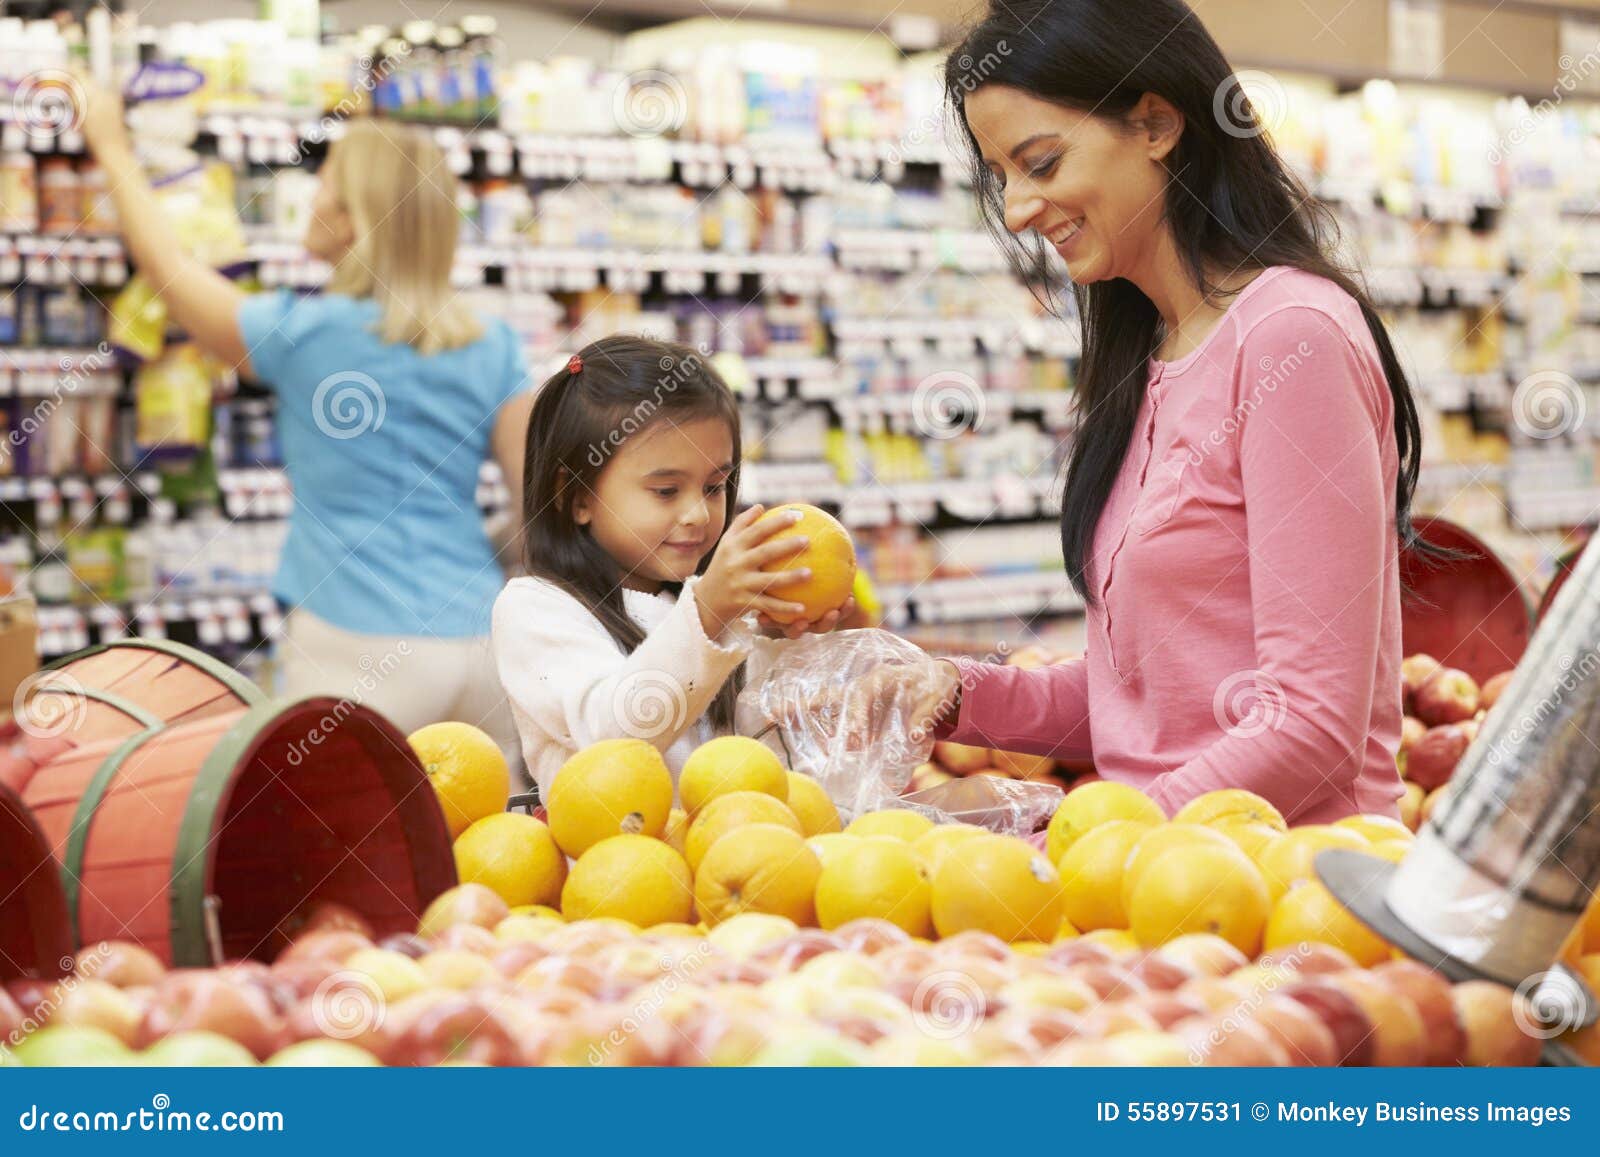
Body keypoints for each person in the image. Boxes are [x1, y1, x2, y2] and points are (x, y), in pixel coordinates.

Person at [843, 0, 1430, 823]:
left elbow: (1312, 725)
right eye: (1002, 176)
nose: (1016, 209)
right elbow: (1145, 701)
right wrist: (959, 695)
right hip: (1158, 884)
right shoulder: (1145, 354)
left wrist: (1105, 839)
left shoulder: (1292, 338)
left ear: (1155, 123)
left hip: (1278, 887)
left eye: (1041, 162)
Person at [79, 86, 532, 758]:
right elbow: (538, 505)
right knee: (498, 855)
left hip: (358, 644)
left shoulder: (302, 333)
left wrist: (113, 149)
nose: (312, 197)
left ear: (355, 220)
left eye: (324, 183)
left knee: (345, 854)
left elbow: (170, 270)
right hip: (484, 645)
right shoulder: (493, 343)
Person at [492, 335, 850, 802]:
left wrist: (789, 643)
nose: (699, 515)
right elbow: (614, 744)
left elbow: (765, 749)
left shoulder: (704, 602)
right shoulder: (537, 610)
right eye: (666, 491)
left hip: (734, 859)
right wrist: (708, 613)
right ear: (577, 496)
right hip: (618, 871)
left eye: (715, 486)